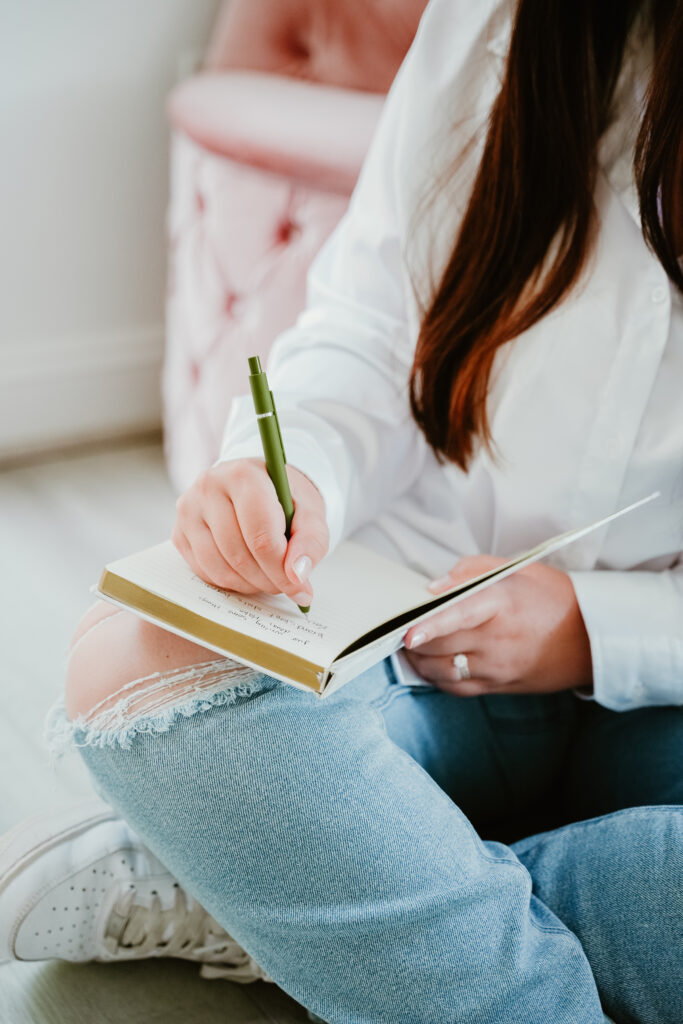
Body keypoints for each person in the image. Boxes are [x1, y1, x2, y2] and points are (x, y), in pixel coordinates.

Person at [1, 0, 681, 1021]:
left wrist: (595, 628)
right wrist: (293, 475)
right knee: (135, 655)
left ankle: (303, 898)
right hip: (411, 657)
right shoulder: (487, 25)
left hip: (657, 712)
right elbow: (366, 329)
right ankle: (350, 892)